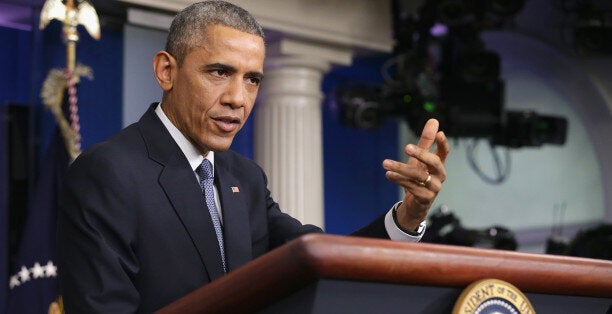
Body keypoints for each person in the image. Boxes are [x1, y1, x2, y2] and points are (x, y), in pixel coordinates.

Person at [56, 1, 449, 312]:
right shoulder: (107, 172)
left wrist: (407, 217)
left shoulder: (244, 177)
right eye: (219, 72)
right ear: (166, 71)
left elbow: (323, 261)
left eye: (252, 79)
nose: (237, 99)